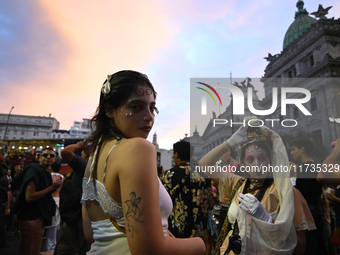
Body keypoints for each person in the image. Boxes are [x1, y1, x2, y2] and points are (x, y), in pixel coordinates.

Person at [81, 70, 205, 255]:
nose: (149, 116)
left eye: (152, 108)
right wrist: (200, 244)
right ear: (109, 110)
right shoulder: (138, 148)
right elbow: (148, 250)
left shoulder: (93, 158)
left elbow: (90, 234)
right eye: (136, 106)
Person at [199, 117, 315, 255]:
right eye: (250, 159)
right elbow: (204, 165)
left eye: (262, 158)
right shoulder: (237, 183)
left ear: (270, 160)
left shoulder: (286, 192)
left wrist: (267, 221)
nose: (257, 165)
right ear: (242, 163)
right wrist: (230, 142)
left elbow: (300, 247)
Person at [15, 148, 63, 255]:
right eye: (45, 155)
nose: (48, 158)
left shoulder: (45, 173)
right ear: (40, 157)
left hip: (35, 218)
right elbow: (30, 197)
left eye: (51, 156)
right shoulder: (35, 170)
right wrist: (52, 187)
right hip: (32, 219)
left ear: (55, 159)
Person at [162, 140, 212, 239]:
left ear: (176, 154)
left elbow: (162, 201)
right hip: (198, 233)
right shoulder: (203, 175)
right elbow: (211, 204)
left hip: (176, 231)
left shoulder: (171, 175)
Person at [54, 141, 91, 255]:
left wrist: (80, 145)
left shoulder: (84, 165)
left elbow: (66, 151)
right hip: (83, 217)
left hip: (75, 219)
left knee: (66, 249)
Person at [290, 138, 324, 255]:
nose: (291, 152)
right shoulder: (315, 166)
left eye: (293, 149)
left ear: (302, 149)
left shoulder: (305, 168)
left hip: (308, 214)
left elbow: (301, 193)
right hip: (317, 212)